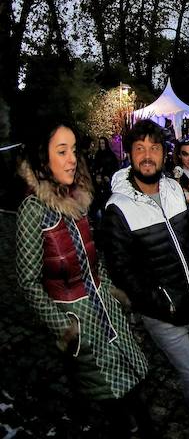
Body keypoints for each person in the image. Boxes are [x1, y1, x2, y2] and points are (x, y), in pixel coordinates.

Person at [16, 120, 150, 435]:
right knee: (112, 403)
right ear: (41, 158)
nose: (72, 159)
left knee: (137, 391)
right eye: (62, 151)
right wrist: (65, 327)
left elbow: (93, 256)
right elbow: (28, 283)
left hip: (108, 312)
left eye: (74, 150)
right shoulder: (32, 211)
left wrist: (112, 292)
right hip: (80, 323)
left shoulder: (79, 198)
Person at [99, 119, 189, 429]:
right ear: (129, 155)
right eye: (140, 149)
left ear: (164, 155)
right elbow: (120, 270)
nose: (148, 155)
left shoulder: (173, 189)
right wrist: (158, 303)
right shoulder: (118, 208)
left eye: (154, 148)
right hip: (162, 314)